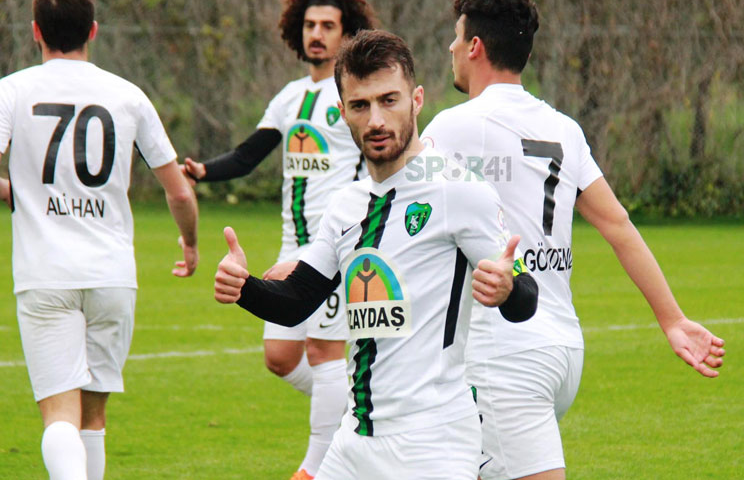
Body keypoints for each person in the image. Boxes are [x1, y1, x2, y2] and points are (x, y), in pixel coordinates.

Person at [420, 0, 727, 480]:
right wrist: (672, 319)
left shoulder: (452, 127)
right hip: (562, 349)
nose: (451, 48)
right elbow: (618, 225)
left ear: (475, 46)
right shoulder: (564, 127)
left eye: (457, 38)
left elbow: (394, 216)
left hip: (502, 353)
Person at [214, 29, 539, 480]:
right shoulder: (346, 205)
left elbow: (526, 297)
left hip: (432, 442)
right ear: (343, 110)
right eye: (361, 105)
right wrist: (243, 287)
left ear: (417, 99)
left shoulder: (458, 189)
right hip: (354, 442)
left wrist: (507, 289)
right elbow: (296, 303)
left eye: (389, 100)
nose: (376, 120)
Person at [0, 0, 198, 480]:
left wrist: (18, 194)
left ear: (35, 31)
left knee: (58, 416)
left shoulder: (12, 89)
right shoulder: (128, 95)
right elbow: (178, 188)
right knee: (93, 416)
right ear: (93, 30)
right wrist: (191, 242)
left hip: (46, 274)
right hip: (112, 275)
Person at [181, 0, 377, 479]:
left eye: (329, 26)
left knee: (324, 349)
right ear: (298, 30)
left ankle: (314, 468)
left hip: (336, 244)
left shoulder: (355, 95)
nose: (317, 34)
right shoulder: (290, 97)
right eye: (310, 25)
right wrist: (206, 171)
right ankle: (367, 406)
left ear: (347, 33)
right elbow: (250, 154)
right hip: (292, 243)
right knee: (280, 355)